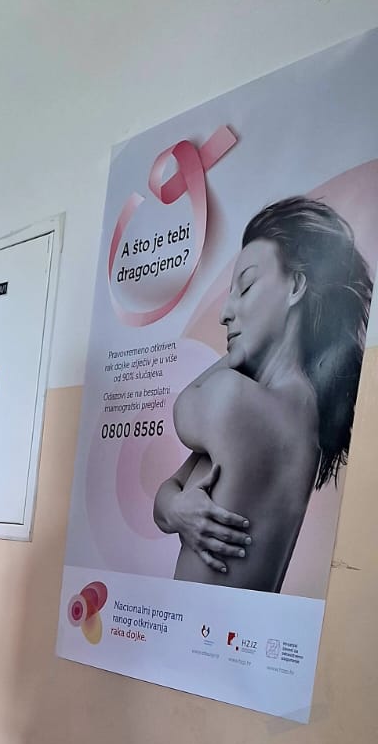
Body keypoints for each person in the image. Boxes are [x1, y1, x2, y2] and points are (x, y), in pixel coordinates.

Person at [154, 197, 372, 591]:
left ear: (296, 287)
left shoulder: (233, 399)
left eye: (247, 286)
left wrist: (172, 506)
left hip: (195, 623)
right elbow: (165, 500)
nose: (225, 313)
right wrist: (175, 507)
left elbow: (182, 407)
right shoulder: (294, 413)